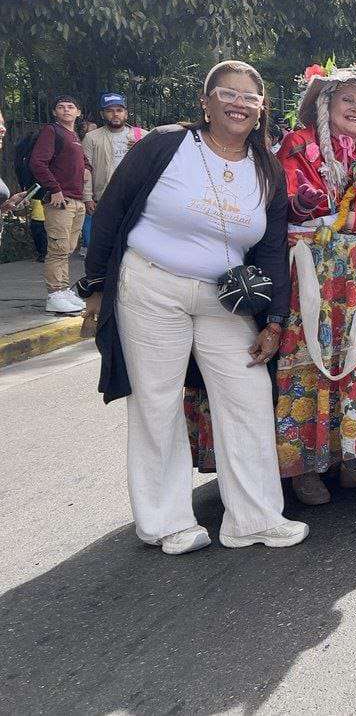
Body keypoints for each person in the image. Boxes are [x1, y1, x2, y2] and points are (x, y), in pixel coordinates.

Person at [76, 60, 308, 553]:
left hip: (225, 299)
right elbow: (115, 207)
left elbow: (270, 248)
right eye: (229, 93)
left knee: (246, 396)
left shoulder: (266, 168)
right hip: (151, 285)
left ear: (262, 108)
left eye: (251, 97)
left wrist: (272, 319)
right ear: (206, 101)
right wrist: (95, 286)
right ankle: (167, 523)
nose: (240, 103)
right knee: (156, 400)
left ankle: (256, 518)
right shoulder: (165, 145)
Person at [188, 59, 356, 505]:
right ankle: (303, 464)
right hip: (311, 277)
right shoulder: (299, 146)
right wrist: (351, 220)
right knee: (311, 364)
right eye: (348, 99)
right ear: (326, 104)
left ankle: (355, 455)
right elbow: (287, 206)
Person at [30, 95, 88, 314]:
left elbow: (82, 164)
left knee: (67, 249)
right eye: (60, 107)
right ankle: (54, 293)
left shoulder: (74, 136)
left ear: (78, 112)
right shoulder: (51, 131)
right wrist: (54, 189)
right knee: (57, 249)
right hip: (60, 201)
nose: (66, 110)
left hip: (77, 200)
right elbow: (38, 162)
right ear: (55, 112)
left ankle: (63, 290)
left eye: (70, 107)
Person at [82, 92, 147, 251]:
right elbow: (85, 169)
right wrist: (87, 197)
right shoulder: (92, 137)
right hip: (104, 197)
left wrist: (140, 149)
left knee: (133, 243)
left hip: (135, 197)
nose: (115, 114)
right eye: (110, 110)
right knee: (105, 244)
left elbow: (153, 166)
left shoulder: (142, 135)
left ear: (125, 113)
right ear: (103, 114)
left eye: (119, 110)